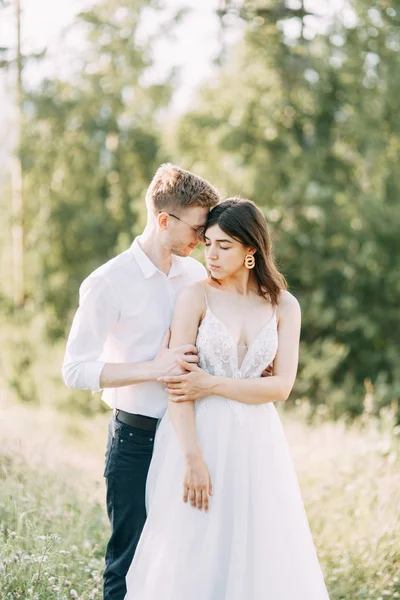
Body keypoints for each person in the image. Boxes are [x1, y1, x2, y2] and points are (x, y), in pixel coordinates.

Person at [125, 198, 330, 600]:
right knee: (193, 551)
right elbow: (179, 388)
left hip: (258, 442)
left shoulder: (285, 306)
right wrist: (192, 459)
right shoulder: (195, 297)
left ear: (251, 250)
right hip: (199, 437)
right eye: (209, 244)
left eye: (225, 246)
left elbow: (282, 387)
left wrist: (212, 384)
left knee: (260, 550)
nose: (212, 255)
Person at [62, 164, 220, 600]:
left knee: (186, 558)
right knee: (128, 560)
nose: (204, 239)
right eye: (198, 228)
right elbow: (74, 369)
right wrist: (154, 367)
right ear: (164, 220)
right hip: (135, 437)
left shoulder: (196, 276)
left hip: (193, 438)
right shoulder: (107, 282)